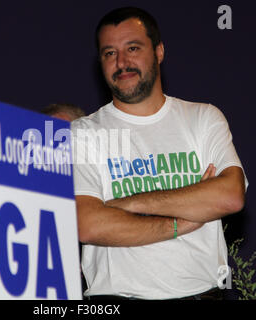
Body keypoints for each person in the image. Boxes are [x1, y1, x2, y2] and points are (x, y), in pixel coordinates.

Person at [71, 7, 247, 300]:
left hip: (202, 294)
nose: (122, 62)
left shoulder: (203, 118)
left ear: (159, 51)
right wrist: (179, 223)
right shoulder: (83, 132)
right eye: (109, 53)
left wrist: (126, 204)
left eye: (133, 48)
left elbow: (229, 195)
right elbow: (88, 224)